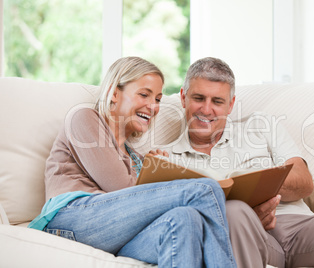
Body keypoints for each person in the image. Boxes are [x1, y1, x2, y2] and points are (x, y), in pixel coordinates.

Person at [164, 57, 314, 268]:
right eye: (198, 98)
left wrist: (255, 190)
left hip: (302, 229)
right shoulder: (165, 159)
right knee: (235, 212)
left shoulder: (260, 126)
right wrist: (243, 213)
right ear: (184, 98)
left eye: (217, 101)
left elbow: (304, 182)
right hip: (243, 234)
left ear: (231, 104)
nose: (207, 110)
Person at [28, 56, 237, 268]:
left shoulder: (135, 156)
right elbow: (120, 188)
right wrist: (155, 179)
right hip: (69, 218)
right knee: (205, 189)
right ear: (115, 93)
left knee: (184, 219)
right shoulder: (83, 119)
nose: (152, 106)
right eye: (144, 95)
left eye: (157, 99)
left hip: (113, 234)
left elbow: (134, 205)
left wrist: (154, 169)